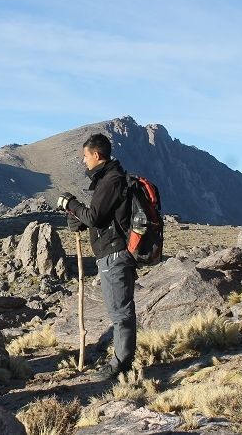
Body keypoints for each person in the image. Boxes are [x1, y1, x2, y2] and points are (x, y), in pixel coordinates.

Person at [56, 133, 137, 380]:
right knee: (119, 310)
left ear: (96, 155)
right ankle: (122, 360)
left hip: (115, 254)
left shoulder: (111, 180)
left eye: (85, 156)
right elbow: (103, 218)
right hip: (110, 252)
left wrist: (71, 205)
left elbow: (95, 217)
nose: (84, 162)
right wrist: (79, 220)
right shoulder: (109, 180)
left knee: (120, 312)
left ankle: (120, 364)